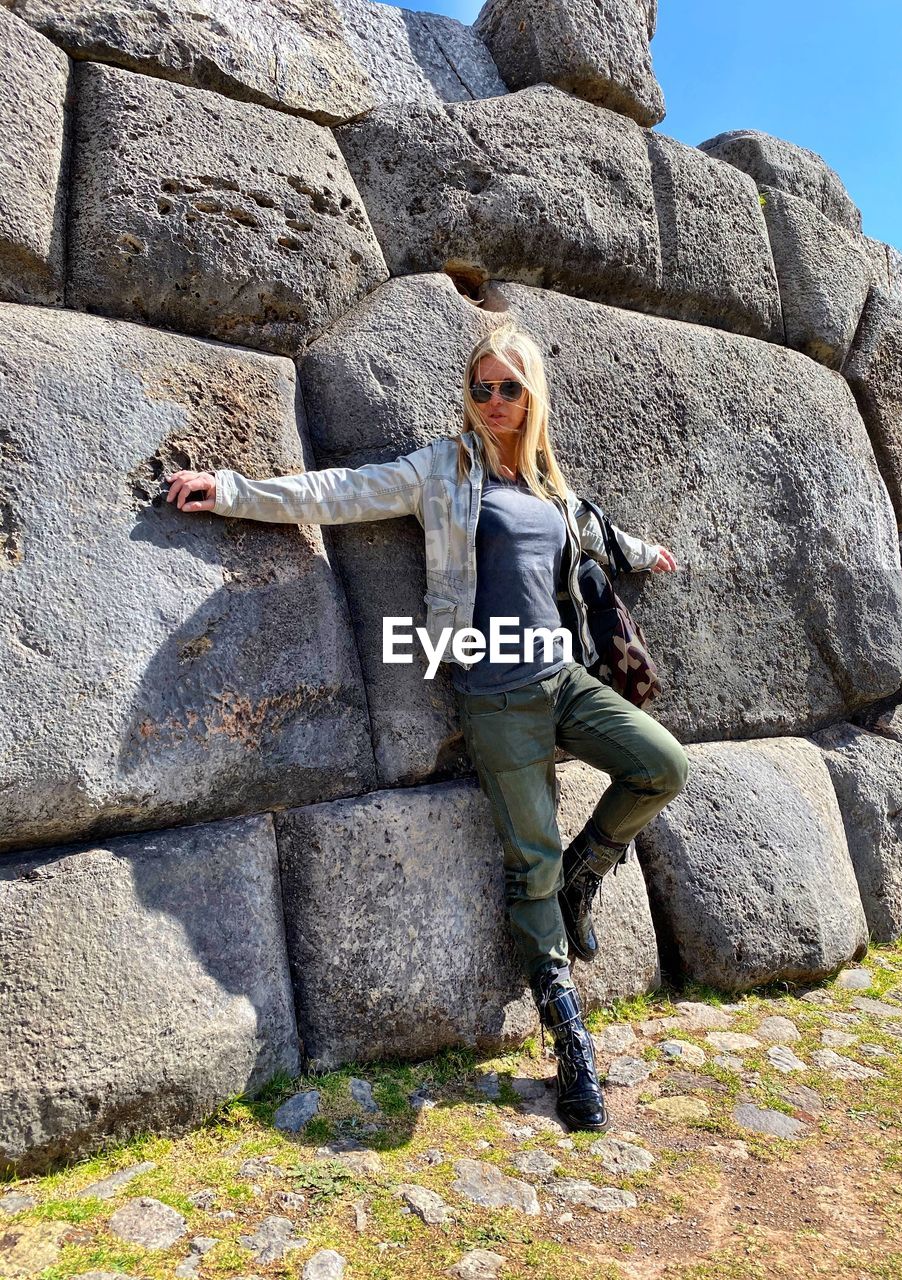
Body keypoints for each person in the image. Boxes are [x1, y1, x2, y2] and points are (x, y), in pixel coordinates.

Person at [165, 323, 689, 1133]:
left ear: (533, 394)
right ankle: (570, 1040)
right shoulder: (443, 470)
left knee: (662, 765)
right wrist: (232, 490)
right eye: (480, 387)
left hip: (564, 679)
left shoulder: (553, 487)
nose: (492, 402)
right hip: (493, 695)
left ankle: (592, 870)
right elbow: (338, 492)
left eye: (508, 387)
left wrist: (650, 554)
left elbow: (600, 537)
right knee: (532, 862)